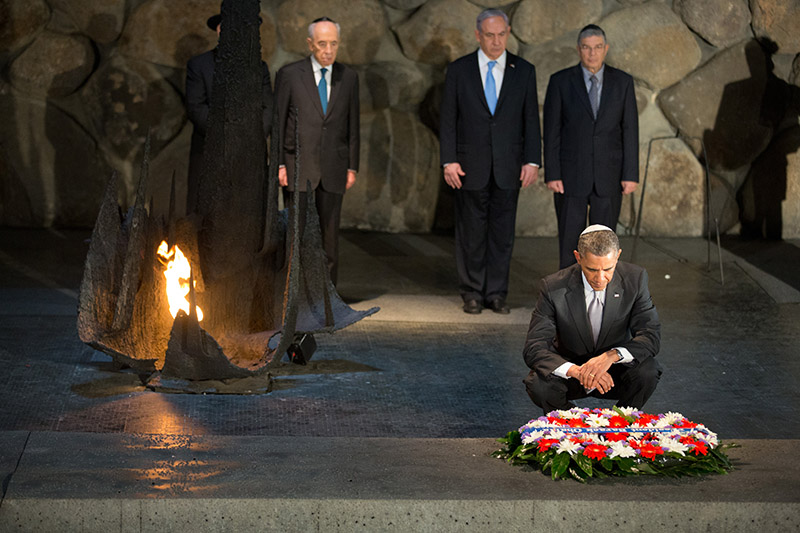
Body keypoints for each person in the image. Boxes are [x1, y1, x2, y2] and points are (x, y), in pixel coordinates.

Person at [439, 9, 541, 315]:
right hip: (470, 166)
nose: (496, 41)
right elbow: (448, 120)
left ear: (507, 33)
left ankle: (496, 293)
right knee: (470, 232)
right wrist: (449, 161)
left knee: (502, 233)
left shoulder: (523, 70)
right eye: (489, 35)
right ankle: (471, 292)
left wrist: (532, 161)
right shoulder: (459, 70)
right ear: (477, 35)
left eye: (501, 34)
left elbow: (530, 120)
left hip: (509, 167)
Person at [522, 225, 661, 415]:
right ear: (578, 257)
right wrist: (578, 371)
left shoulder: (636, 279)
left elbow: (650, 336)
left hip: (614, 372)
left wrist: (611, 356)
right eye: (592, 269)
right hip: (572, 371)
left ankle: (619, 421)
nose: (600, 278)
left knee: (648, 371)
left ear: (618, 255)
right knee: (538, 384)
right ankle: (573, 421)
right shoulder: (553, 286)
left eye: (608, 269)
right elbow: (534, 347)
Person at [543, 24, 639, 269]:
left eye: (597, 47)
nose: (592, 53)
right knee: (569, 242)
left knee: (604, 243)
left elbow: (630, 130)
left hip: (609, 175)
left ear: (605, 49)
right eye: (586, 47)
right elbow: (552, 131)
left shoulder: (623, 82)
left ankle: (601, 298)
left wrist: (630, 174)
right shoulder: (561, 81)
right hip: (570, 175)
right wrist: (552, 173)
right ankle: (567, 297)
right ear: (578, 49)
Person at [274, 17, 359, 286]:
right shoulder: (290, 75)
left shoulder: (349, 77)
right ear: (310, 44)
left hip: (333, 168)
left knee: (329, 239)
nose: (329, 50)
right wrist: (279, 164)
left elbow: (353, 124)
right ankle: (292, 299)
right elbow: (279, 122)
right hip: (298, 167)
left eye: (333, 43)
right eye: (322, 44)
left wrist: (352, 165)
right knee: (295, 237)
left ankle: (327, 299)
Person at [185, 10, 273, 215]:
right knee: (207, 212)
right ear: (220, 30)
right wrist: (227, 136)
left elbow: (267, 107)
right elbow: (196, 107)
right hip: (210, 151)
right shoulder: (200, 65)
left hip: (249, 152)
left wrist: (252, 137)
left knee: (246, 212)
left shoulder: (259, 67)